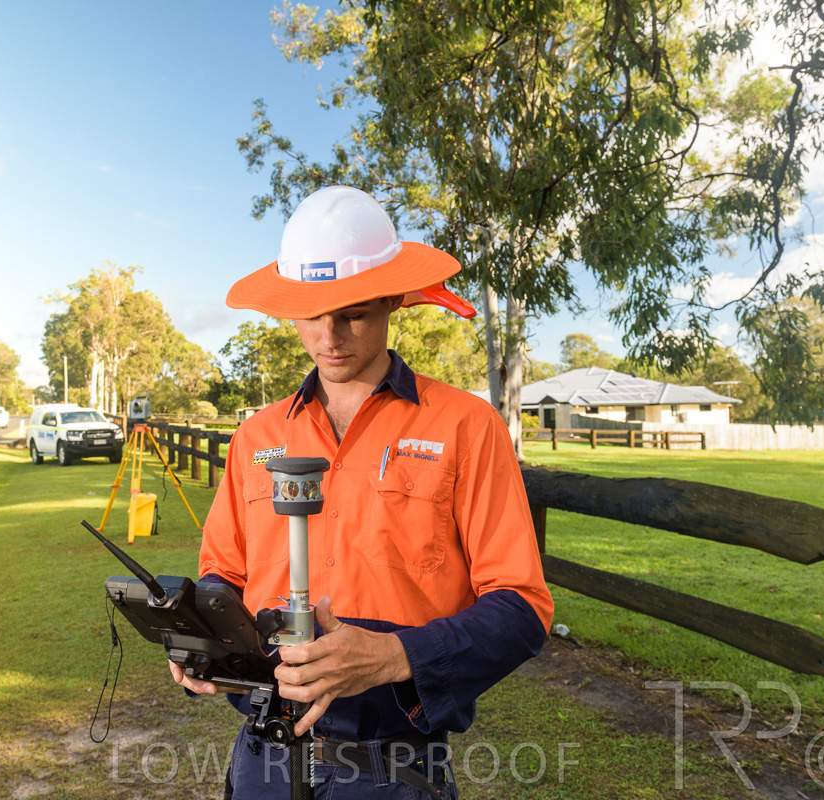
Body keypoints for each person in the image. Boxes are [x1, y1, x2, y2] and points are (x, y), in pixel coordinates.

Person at [170, 186, 554, 799]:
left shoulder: (465, 425)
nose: (329, 335)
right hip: (263, 761)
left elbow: (522, 608)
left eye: (352, 313)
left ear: (392, 300)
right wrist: (198, 632)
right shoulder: (255, 436)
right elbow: (225, 573)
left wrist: (394, 656)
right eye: (310, 314)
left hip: (393, 771)